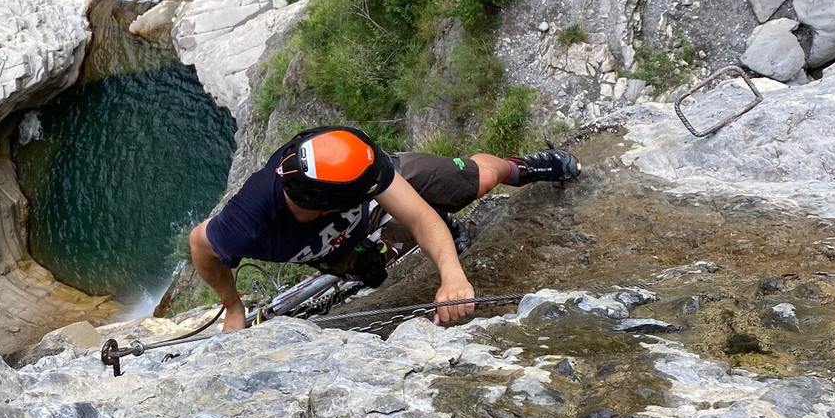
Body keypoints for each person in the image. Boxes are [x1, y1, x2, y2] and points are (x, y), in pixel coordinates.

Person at [188, 126, 580, 332]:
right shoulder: (248, 223)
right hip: (335, 247)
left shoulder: (344, 154)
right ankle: (421, 233)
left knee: (473, 182)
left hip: (363, 186)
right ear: (328, 205)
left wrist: (453, 278)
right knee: (373, 270)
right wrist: (232, 307)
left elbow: (418, 216)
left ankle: (523, 167)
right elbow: (200, 244)